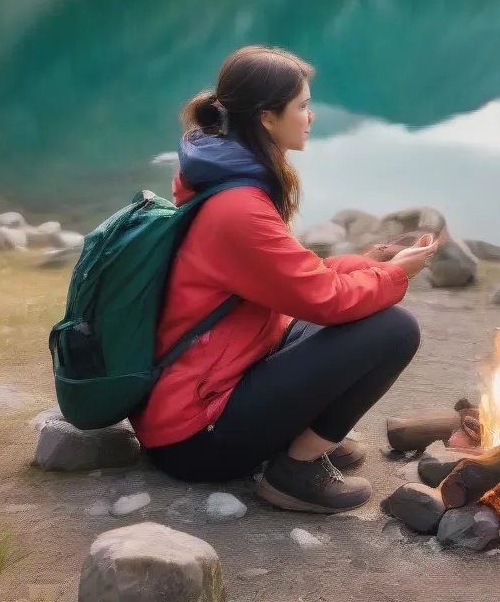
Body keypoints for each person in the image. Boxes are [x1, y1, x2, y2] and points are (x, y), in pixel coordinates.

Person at [132, 45, 437, 514]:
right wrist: (393, 275)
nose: (310, 116)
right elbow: (324, 299)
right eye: (301, 106)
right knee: (393, 329)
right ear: (267, 117)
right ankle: (295, 470)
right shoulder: (238, 208)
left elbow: (297, 279)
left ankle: (300, 438)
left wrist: (371, 262)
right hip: (195, 434)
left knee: (359, 314)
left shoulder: (225, 177)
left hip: (218, 377)